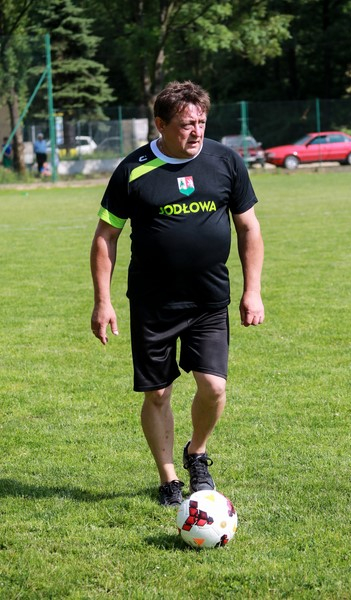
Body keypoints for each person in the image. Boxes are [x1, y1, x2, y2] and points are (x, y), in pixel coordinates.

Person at [90, 80, 264, 507]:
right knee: (158, 393)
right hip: (153, 302)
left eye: (202, 122)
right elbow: (105, 237)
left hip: (208, 299)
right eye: (187, 124)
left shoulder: (225, 161)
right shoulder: (133, 169)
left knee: (214, 387)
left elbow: (249, 228)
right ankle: (168, 478)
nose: (197, 131)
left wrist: (253, 290)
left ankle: (196, 453)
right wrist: (102, 301)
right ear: (161, 124)